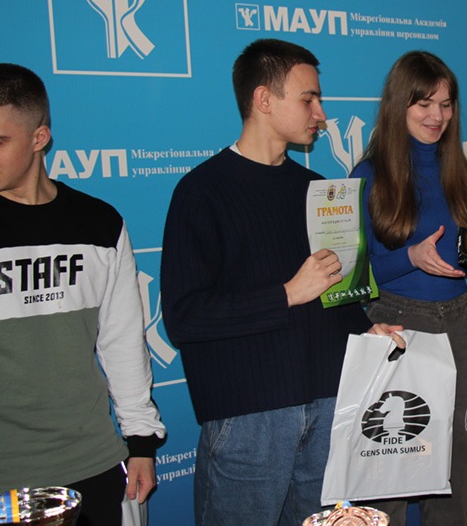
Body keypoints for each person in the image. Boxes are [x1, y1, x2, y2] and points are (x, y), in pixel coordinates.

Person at [160, 38, 403, 526]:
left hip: (330, 407)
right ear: (264, 100)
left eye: (319, 100)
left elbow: (336, 294)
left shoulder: (317, 191)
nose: (321, 114)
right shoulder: (201, 192)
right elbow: (185, 318)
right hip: (250, 419)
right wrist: (287, 294)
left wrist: (367, 329)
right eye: (308, 99)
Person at [0, 64, 166, 526]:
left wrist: (141, 443)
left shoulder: (99, 224)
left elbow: (123, 341)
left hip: (94, 462)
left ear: (39, 137)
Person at [349, 51, 467, 526]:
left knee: (456, 466)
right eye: (424, 104)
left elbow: (463, 258)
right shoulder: (368, 176)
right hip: (396, 329)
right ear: (399, 104)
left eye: (446, 105)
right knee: (390, 471)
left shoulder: (466, 175)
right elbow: (349, 279)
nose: (437, 116)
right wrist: (409, 257)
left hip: (459, 327)